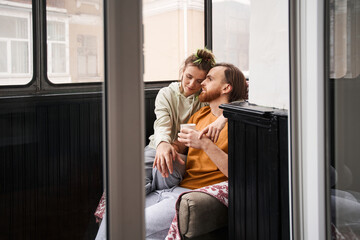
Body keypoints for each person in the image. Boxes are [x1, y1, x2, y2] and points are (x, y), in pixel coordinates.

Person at [146, 63, 247, 239]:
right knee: (115, 217)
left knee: (130, 226)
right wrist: (172, 148)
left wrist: (206, 144)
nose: (202, 83)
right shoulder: (200, 115)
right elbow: (181, 146)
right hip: (171, 188)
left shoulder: (239, 124)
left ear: (226, 87)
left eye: (209, 79)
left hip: (190, 195)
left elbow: (238, 174)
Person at [144, 49, 228, 195]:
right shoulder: (166, 94)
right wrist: (163, 144)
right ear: (182, 71)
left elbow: (230, 103)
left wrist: (222, 118)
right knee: (130, 179)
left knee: (164, 166)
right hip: (158, 145)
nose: (191, 84)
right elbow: (162, 124)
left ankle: (160, 201)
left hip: (187, 152)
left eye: (199, 81)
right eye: (189, 76)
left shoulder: (204, 100)